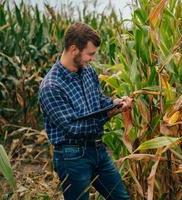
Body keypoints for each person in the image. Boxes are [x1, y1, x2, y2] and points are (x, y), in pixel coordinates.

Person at [39, 22, 132, 200]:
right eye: (90, 54)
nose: (92, 59)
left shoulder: (88, 72)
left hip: (97, 149)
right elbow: (73, 128)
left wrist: (116, 103)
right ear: (74, 49)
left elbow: (99, 101)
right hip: (72, 157)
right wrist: (109, 112)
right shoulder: (51, 86)